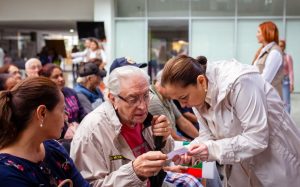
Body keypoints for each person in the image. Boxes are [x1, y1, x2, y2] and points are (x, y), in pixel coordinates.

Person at [161, 55, 300, 187]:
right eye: (178, 100)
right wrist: (192, 151)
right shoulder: (198, 94)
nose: (183, 105)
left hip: (274, 160)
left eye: (184, 98)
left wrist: (210, 149)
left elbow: (257, 137)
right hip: (242, 167)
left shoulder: (239, 82)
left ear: (201, 81)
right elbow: (208, 134)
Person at [70, 65, 173, 186]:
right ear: (112, 99)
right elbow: (89, 185)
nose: (143, 106)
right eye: (132, 99)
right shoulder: (92, 132)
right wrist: (134, 173)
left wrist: (163, 140)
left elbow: (166, 161)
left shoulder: (146, 119)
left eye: (146, 95)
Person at [0, 77, 89, 186]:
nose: (67, 116)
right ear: (42, 113)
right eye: (62, 110)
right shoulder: (6, 173)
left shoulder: (54, 148)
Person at [39, 64, 86, 140]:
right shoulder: (45, 99)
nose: (61, 79)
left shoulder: (70, 92)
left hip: (79, 133)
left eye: (61, 75)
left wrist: (82, 127)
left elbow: (82, 113)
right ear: (47, 80)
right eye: (56, 77)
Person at [149, 70, 199, 141]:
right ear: (165, 84)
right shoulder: (154, 100)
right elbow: (171, 135)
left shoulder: (166, 96)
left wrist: (200, 138)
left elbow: (182, 121)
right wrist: (189, 143)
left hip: (175, 141)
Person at [252, 21, 284, 98]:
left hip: (270, 99)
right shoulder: (263, 50)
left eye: (259, 32)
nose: (256, 35)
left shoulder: (275, 52)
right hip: (262, 96)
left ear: (267, 33)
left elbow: (265, 79)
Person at [279, 39, 294, 113]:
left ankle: (287, 122)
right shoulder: (276, 57)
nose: (280, 47)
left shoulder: (288, 57)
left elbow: (291, 71)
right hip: (277, 82)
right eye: (279, 46)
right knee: (278, 102)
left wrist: (291, 83)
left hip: (285, 82)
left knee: (286, 102)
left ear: (284, 47)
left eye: (282, 46)